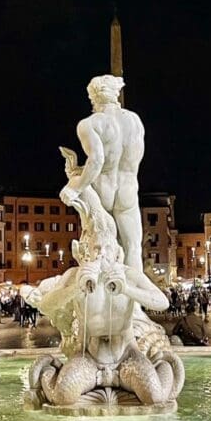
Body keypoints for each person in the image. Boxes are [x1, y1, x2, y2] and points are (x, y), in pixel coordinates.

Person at [59, 75, 145, 273]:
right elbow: (133, 159)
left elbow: (97, 160)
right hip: (128, 189)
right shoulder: (134, 121)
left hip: (102, 190)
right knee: (133, 248)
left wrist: (75, 185)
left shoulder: (89, 124)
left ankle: (101, 297)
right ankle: (132, 302)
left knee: (100, 248)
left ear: (93, 97)